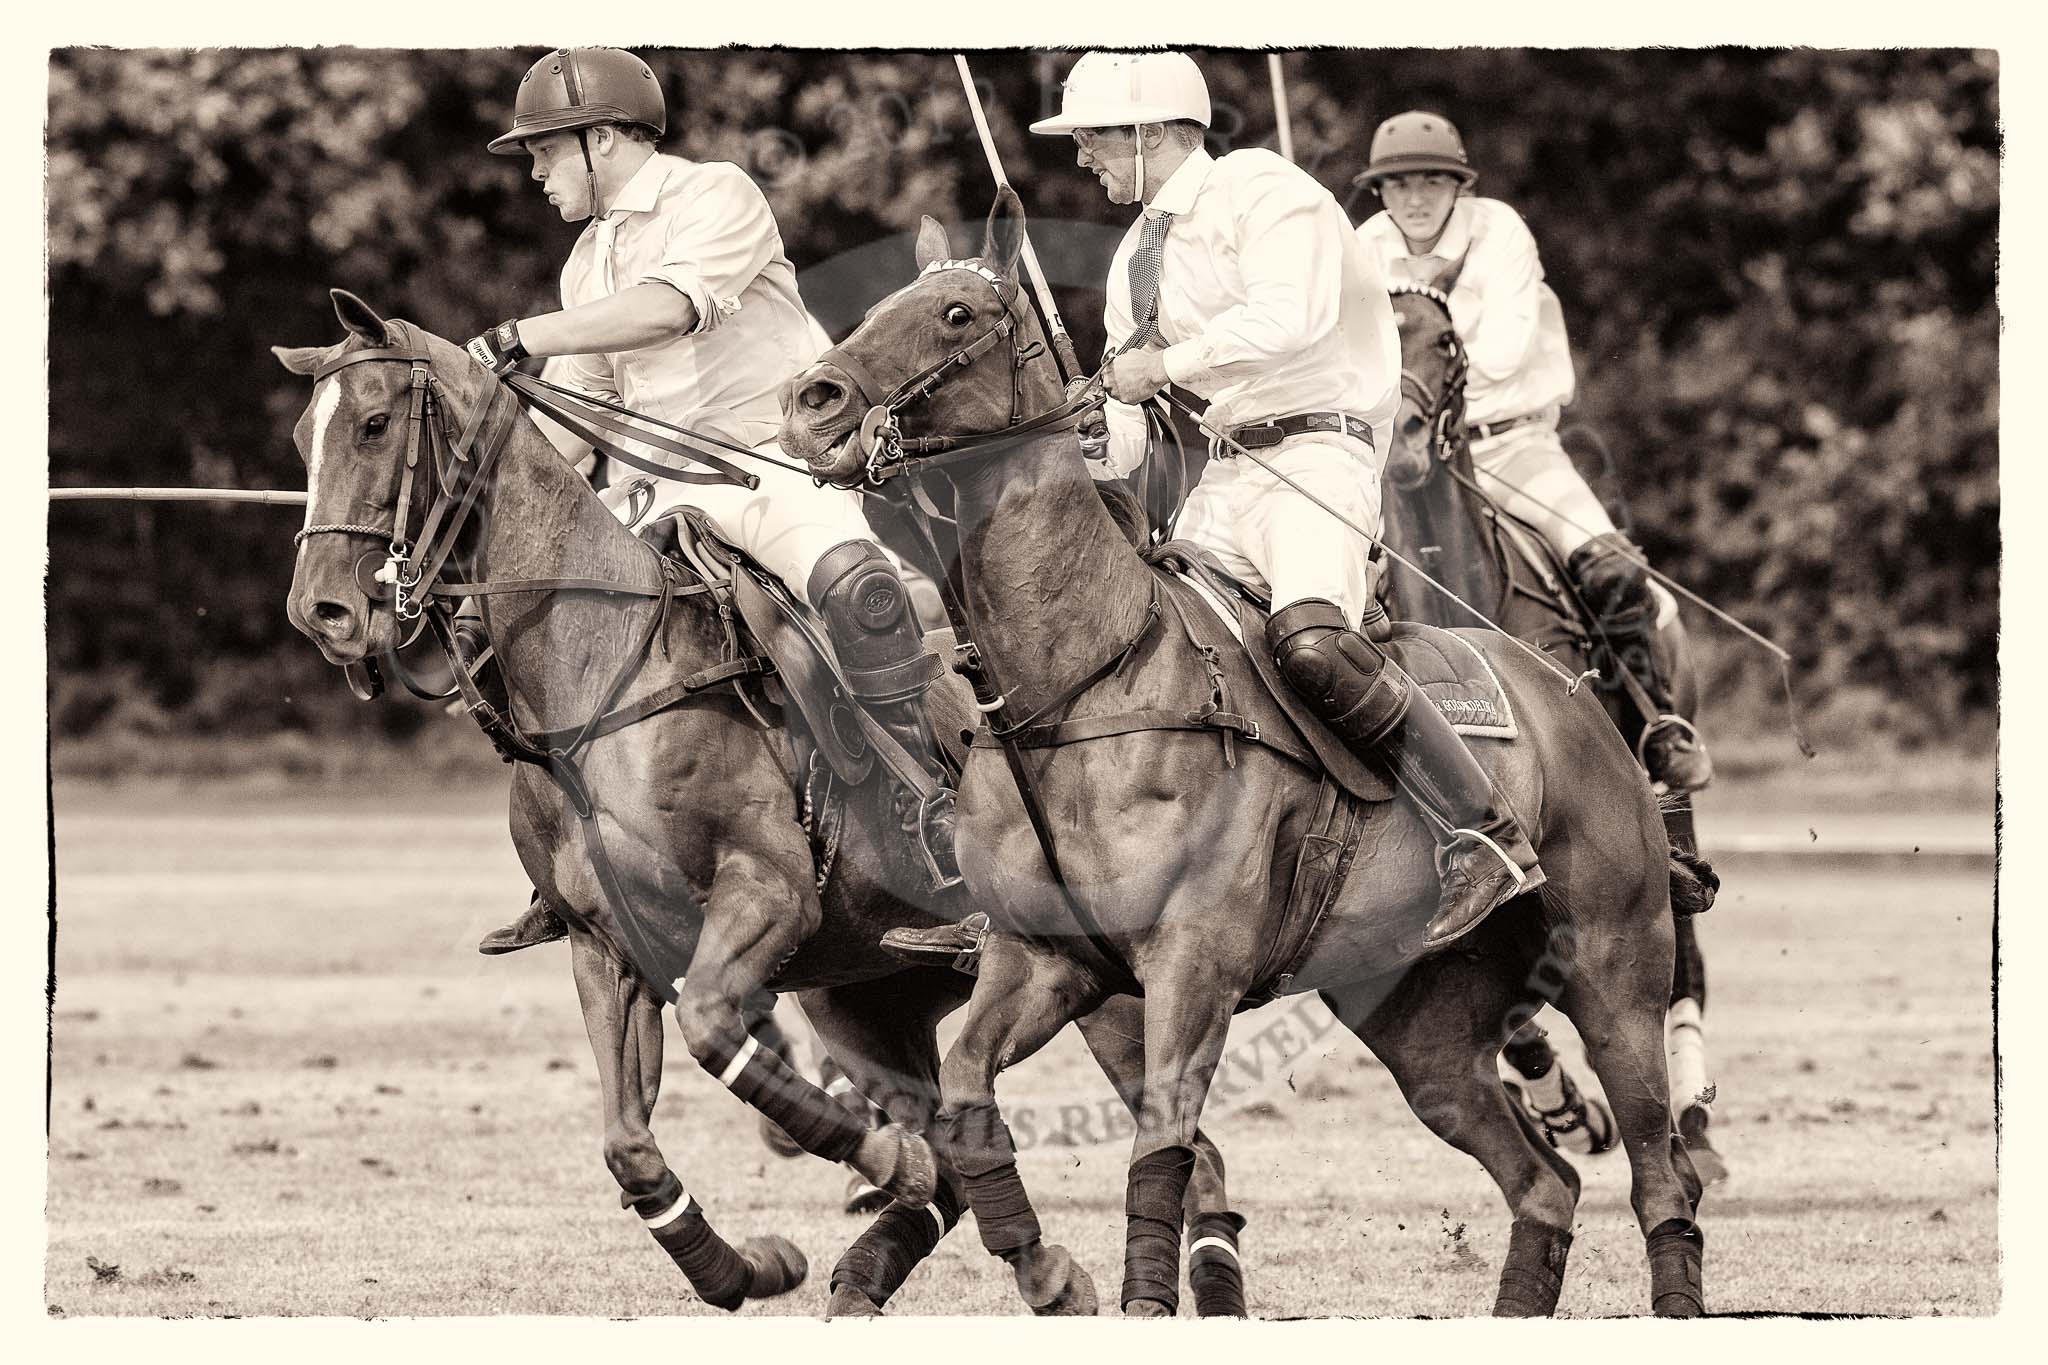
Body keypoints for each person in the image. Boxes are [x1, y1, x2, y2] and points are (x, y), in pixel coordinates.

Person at [889, 51, 1544, 970]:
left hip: (1324, 455)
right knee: (1134, 648)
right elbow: (1127, 432)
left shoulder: (1267, 195)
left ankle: (1481, 832)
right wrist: (1083, 437)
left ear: (1151, 132)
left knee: (1312, 640)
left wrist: (1159, 365)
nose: (1084, 160)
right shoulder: (1132, 265)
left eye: (1093, 139)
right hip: (1229, 476)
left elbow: (1290, 321)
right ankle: (1033, 886)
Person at [463, 47, 961, 956]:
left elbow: (671, 308)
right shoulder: (588, 260)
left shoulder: (716, 196)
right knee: (511, 622)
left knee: (859, 589)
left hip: (764, 466)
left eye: (544, 151)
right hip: (650, 493)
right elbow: (587, 409)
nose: (534, 172)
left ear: (603, 139)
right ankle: (569, 857)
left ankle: (929, 818)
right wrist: (489, 503)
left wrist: (517, 335)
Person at [1354, 111, 1712, 792]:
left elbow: (1506, 351)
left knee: (1606, 563)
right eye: (1399, 184)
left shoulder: (1501, 232)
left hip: (1511, 445)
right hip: (1401, 457)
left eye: (1434, 181)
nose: (1417, 198)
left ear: (1461, 184)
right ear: (1380, 191)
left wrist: (1422, 388)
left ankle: (1656, 726)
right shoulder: (1363, 247)